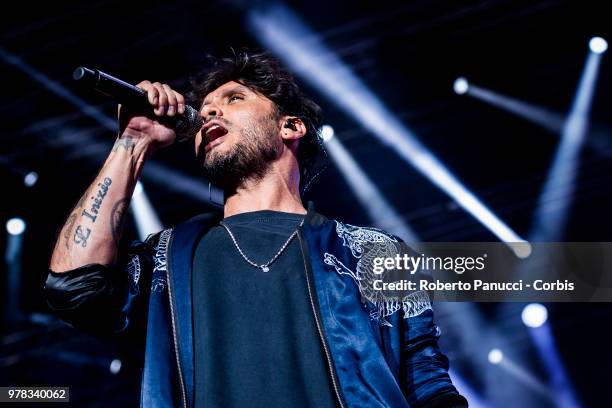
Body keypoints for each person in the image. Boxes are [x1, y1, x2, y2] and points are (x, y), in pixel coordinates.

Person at [45, 49, 468, 408]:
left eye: (234, 98)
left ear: (291, 127)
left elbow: (427, 382)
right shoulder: (167, 258)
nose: (209, 110)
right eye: (206, 106)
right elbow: (73, 287)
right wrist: (132, 142)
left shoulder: (371, 250)